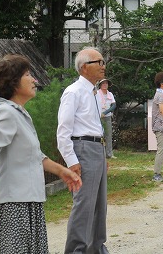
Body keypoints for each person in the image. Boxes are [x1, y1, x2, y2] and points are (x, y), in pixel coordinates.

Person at [0, 54, 82, 254]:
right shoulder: (5, 113)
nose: (34, 80)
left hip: (30, 201)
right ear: (13, 82)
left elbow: (35, 155)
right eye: (28, 75)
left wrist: (62, 171)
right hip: (13, 204)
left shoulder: (20, 114)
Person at [57, 47, 109, 253]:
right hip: (83, 148)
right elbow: (63, 131)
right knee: (84, 205)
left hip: (96, 148)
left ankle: (96, 247)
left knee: (99, 205)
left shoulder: (94, 92)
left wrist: (103, 153)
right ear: (85, 67)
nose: (103, 66)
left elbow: (94, 126)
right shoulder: (73, 92)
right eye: (100, 62)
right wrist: (72, 160)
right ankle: (76, 250)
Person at [96, 78, 117, 159]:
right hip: (98, 117)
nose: (105, 85)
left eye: (106, 83)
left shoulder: (110, 94)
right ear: (100, 85)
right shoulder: (97, 93)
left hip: (107, 117)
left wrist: (105, 113)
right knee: (99, 135)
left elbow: (114, 105)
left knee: (108, 135)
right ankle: (100, 154)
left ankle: (109, 154)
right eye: (103, 83)